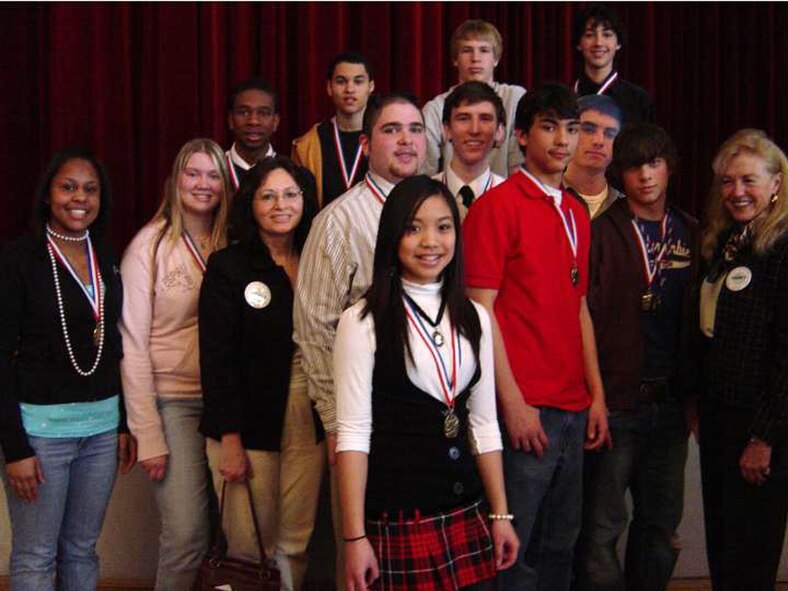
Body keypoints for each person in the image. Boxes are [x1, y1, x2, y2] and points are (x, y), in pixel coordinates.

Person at [335, 175, 519, 591]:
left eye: (443, 226)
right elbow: (353, 436)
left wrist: (501, 515)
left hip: (466, 511)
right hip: (399, 517)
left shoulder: (476, 318)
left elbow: (485, 425)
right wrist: (354, 537)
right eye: (413, 228)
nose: (430, 242)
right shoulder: (361, 322)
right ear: (392, 237)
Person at [462, 83, 608, 591]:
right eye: (550, 127)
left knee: (561, 547)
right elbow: (480, 314)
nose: (564, 140)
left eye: (573, 128)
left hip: (573, 407)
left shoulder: (576, 211)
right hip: (525, 410)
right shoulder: (496, 207)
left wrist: (597, 396)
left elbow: (580, 308)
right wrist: (513, 404)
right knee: (513, 554)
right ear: (521, 136)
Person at [294, 91, 427, 591]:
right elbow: (314, 331)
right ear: (367, 144)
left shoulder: (434, 211)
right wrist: (335, 424)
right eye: (392, 130)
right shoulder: (338, 221)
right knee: (363, 559)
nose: (406, 140)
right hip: (364, 419)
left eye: (415, 129)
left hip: (428, 417)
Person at [0, 147, 135, 590]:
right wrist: (15, 449)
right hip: (40, 436)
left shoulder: (105, 256)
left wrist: (122, 424)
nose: (80, 198)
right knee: (36, 556)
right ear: (47, 195)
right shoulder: (19, 259)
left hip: (100, 431)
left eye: (90, 189)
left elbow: (111, 343)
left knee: (81, 548)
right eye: (68, 187)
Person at [575, 124, 697, 591]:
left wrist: (692, 400)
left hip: (668, 407)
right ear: (619, 173)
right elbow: (582, 316)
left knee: (660, 528)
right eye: (634, 166)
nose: (646, 176)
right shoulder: (600, 232)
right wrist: (596, 397)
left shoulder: (688, 229)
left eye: (654, 163)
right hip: (616, 404)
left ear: (669, 167)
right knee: (603, 528)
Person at [198, 156, 325, 591]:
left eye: (291, 195)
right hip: (245, 425)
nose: (280, 205)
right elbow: (216, 362)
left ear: (306, 202)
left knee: (296, 539)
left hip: (309, 415)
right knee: (248, 546)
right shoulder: (227, 267)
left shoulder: (317, 260)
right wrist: (229, 440)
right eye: (267, 196)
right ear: (250, 204)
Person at [120, 138, 232, 590]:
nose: (203, 185)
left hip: (227, 405)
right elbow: (131, 342)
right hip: (174, 403)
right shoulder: (149, 245)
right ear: (175, 180)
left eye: (213, 176)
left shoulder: (233, 239)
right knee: (186, 535)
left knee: (234, 536)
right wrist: (146, 432)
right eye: (193, 174)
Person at [697, 129, 788, 591]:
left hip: (760, 429)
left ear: (776, 184)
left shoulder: (782, 247)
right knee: (724, 547)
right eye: (729, 182)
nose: (737, 192)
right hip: (720, 422)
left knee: (752, 553)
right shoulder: (724, 242)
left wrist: (763, 438)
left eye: (750, 181)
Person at [422, 19, 526, 178]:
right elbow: (425, 173)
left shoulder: (515, 98)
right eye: (467, 50)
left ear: (496, 59)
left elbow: (519, 168)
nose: (475, 58)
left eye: (484, 50)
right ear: (455, 59)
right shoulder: (435, 109)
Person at [292, 52, 375, 208]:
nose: (350, 89)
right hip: (322, 230)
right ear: (329, 87)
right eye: (341, 81)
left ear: (370, 87)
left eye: (358, 81)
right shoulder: (307, 146)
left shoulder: (382, 139)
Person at [572, 3, 656, 126]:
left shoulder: (639, 101)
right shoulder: (566, 97)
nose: (598, 43)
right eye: (590, 35)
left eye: (607, 35)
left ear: (618, 43)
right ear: (579, 44)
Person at [433, 81, 506, 220]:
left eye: (485, 119)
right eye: (464, 118)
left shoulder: (512, 200)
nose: (474, 130)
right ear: (446, 129)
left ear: (499, 131)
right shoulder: (423, 197)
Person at [563, 94, 624, 218]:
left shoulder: (627, 209)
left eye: (609, 134)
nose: (599, 141)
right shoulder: (543, 197)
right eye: (588, 130)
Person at [226, 77, 280, 190]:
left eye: (263, 113)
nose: (253, 121)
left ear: (275, 122)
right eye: (244, 112)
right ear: (231, 120)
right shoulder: (213, 172)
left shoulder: (293, 175)